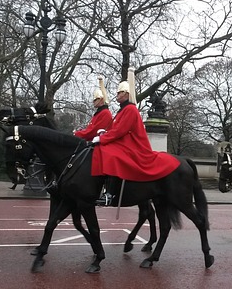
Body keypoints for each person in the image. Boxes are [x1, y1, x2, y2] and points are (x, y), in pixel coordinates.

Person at [90, 68, 180, 203]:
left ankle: (110, 194)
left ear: (126, 94)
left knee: (111, 154)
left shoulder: (130, 109)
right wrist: (104, 134)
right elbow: (115, 129)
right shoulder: (124, 109)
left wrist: (102, 138)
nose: (117, 94)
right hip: (126, 142)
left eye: (119, 92)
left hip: (134, 145)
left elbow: (120, 131)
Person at [74, 76, 112, 141]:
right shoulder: (99, 113)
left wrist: (78, 134)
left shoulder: (105, 113)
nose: (93, 101)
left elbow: (94, 131)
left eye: (96, 99)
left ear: (101, 100)